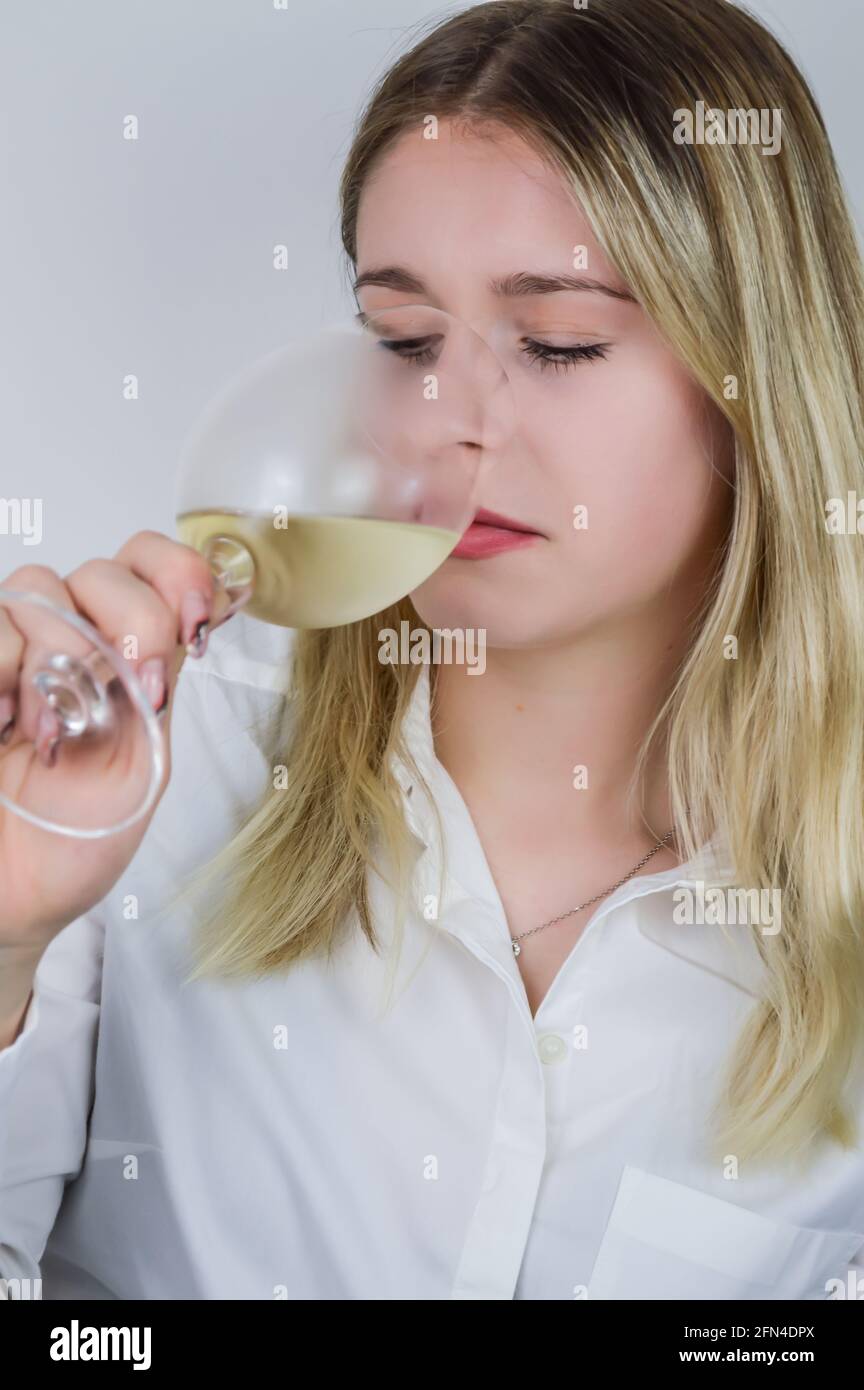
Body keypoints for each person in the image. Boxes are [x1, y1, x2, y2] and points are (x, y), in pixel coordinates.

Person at [1, 0, 864, 1300]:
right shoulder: (152, 771)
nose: (447, 420)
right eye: (403, 341)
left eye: (559, 341)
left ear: (756, 374)